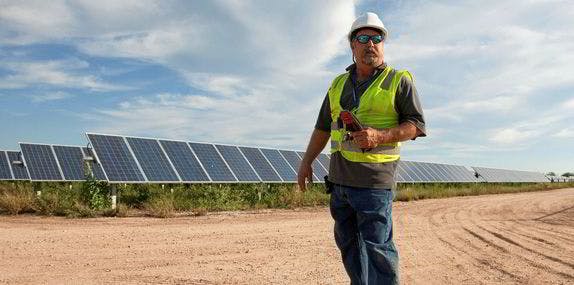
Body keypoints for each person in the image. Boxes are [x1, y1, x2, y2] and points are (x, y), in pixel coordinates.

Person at [297, 12, 426, 285]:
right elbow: (322, 127)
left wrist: (380, 136)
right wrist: (306, 161)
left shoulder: (398, 80)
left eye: (377, 38)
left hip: (374, 182)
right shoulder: (337, 84)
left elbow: (416, 125)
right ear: (352, 45)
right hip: (340, 182)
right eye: (364, 38)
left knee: (378, 249)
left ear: (383, 44)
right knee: (350, 247)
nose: (371, 43)